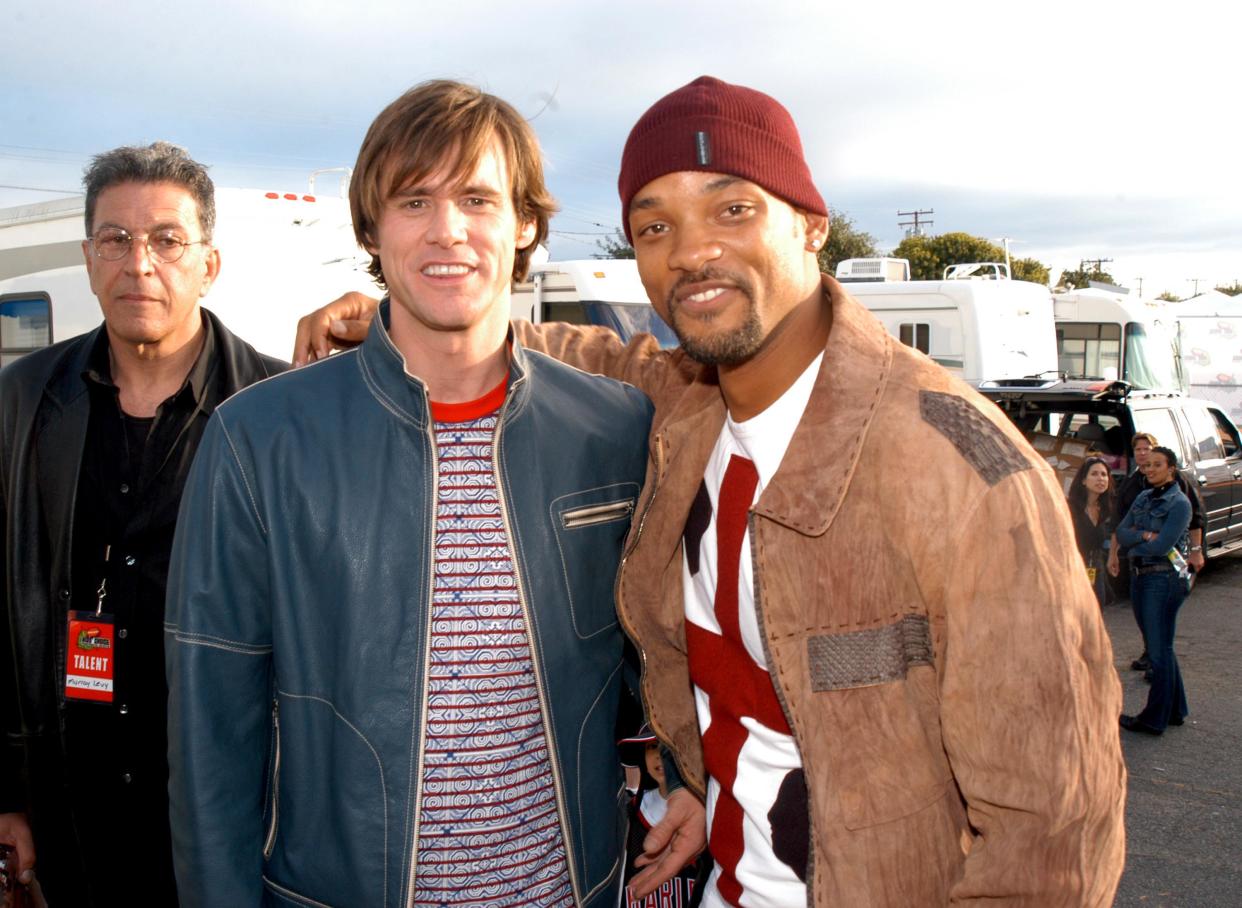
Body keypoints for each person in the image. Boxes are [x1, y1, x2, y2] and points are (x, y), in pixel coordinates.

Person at [296, 75, 1126, 905]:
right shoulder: (686, 408)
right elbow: (586, 354)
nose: (691, 251)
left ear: (812, 223)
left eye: (732, 210)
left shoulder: (959, 470)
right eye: (655, 225)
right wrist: (411, 314)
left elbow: (1051, 837)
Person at [164, 80, 702, 907]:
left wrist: (692, 773)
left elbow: (663, 648)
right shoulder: (257, 441)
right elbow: (211, 742)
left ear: (525, 224)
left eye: (478, 199)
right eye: (414, 200)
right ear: (372, 230)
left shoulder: (613, 428)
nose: (448, 230)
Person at [0, 142, 285, 906]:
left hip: (228, 811)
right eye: (116, 240)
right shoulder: (23, 401)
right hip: (72, 811)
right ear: (89, 257)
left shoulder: (275, 408)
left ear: (209, 263)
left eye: (166, 240)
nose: (140, 264)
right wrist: (10, 792)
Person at [1108, 431, 1205, 675]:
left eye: (1149, 453)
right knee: (1156, 640)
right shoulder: (1137, 489)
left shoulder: (1178, 492)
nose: (1145, 459)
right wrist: (1139, 538)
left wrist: (1195, 551)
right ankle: (1170, 705)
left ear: (1169, 467)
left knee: (1161, 645)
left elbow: (1190, 521)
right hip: (1139, 570)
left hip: (1165, 572)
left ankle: (1162, 707)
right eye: (1139, 452)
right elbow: (1120, 528)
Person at [1116, 446, 1193, 735]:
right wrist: (1144, 537)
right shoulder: (1143, 497)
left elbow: (1163, 546)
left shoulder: (1179, 503)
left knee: (1159, 651)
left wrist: (1135, 544)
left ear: (1171, 468)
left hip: (1164, 579)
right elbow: (1121, 532)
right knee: (1161, 645)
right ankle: (1175, 709)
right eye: (1147, 466)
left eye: (1156, 465)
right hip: (1141, 576)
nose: (1149, 470)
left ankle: (1153, 718)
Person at [619, 726, 701, 908]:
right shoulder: (626, 814)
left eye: (669, 745)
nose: (660, 755)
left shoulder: (710, 814)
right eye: (652, 746)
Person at [1068, 456, 1117, 606]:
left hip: (1096, 568)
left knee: (1096, 614)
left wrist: (1112, 556)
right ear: (1083, 480)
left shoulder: (1107, 509)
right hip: (1073, 568)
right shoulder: (1070, 507)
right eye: (1094, 474)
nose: (1100, 479)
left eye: (1104, 475)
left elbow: (1116, 531)